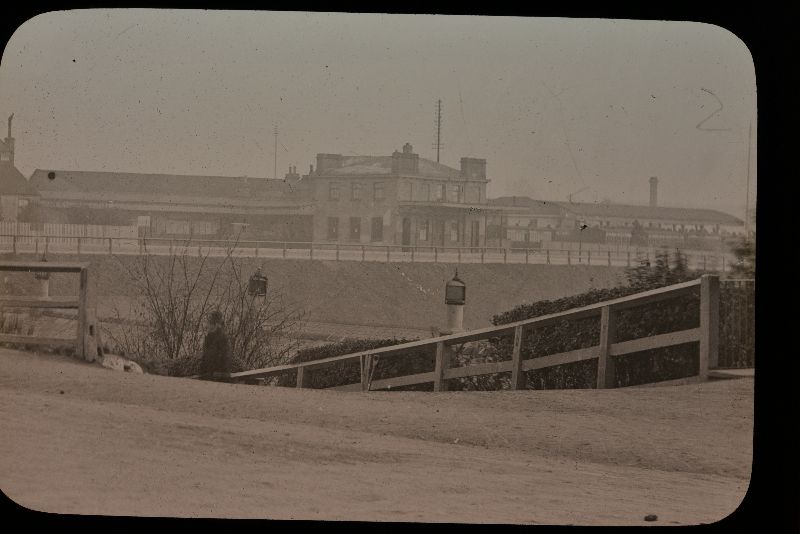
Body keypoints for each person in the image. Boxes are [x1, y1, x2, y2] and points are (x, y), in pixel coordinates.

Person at [200, 310, 231, 382]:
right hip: (208, 373)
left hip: (219, 374)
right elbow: (205, 355)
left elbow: (224, 357)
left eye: (211, 323)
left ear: (217, 325)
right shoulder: (209, 337)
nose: (208, 326)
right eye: (209, 323)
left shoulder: (222, 338)